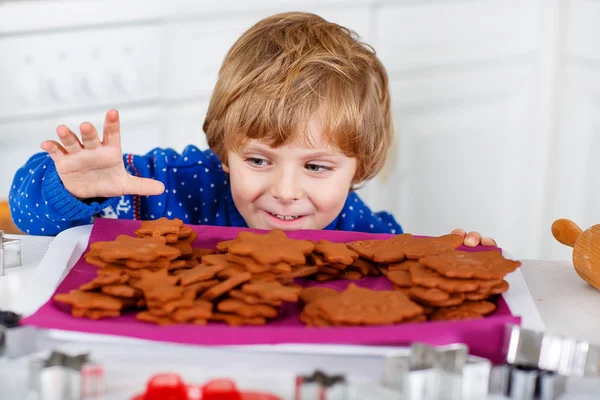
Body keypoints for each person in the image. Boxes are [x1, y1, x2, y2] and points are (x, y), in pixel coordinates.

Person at [9, 12, 494, 247]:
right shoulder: (157, 187)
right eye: (258, 160)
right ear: (223, 150)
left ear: (359, 166)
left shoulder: (361, 232)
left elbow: (415, 268)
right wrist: (71, 188)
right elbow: (27, 216)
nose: (286, 192)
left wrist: (458, 254)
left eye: (317, 166)